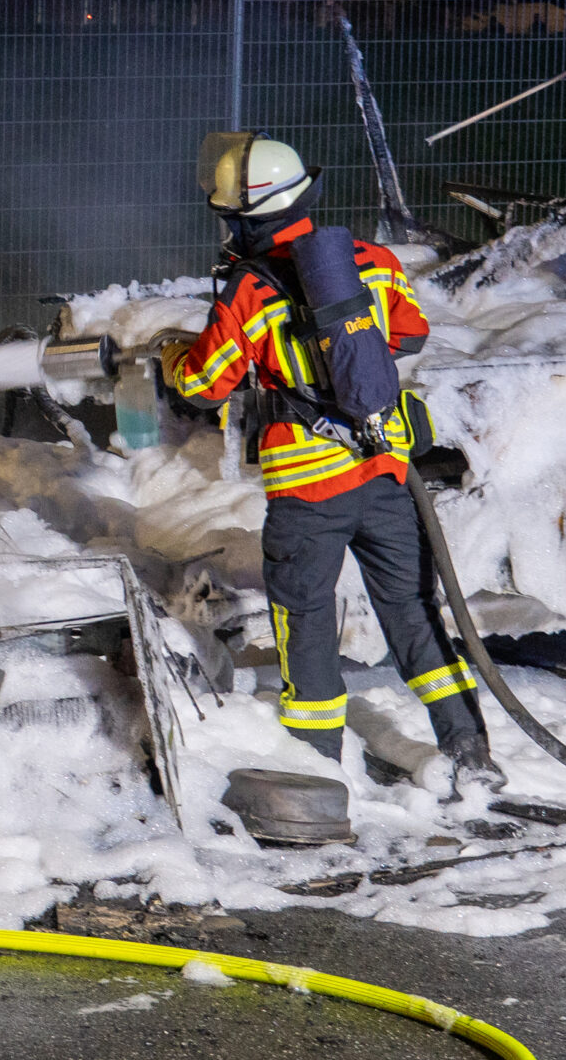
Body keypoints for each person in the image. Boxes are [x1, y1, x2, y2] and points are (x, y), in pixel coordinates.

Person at [158, 132, 503, 793]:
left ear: (243, 218)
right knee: (413, 611)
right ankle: (467, 747)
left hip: (309, 490)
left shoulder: (249, 292)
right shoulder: (368, 259)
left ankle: (315, 776)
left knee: (307, 621)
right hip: (388, 473)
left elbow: (204, 385)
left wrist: (177, 354)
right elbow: (409, 332)